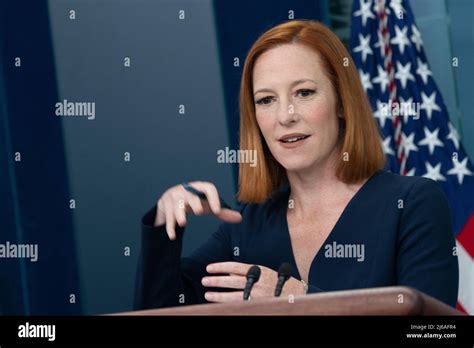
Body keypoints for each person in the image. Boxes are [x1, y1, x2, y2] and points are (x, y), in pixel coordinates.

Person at [134, 20, 458, 310]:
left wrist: (301, 302)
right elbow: (159, 310)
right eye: (266, 100)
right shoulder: (246, 226)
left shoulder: (413, 204)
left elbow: (430, 333)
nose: (285, 115)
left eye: (304, 92)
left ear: (342, 103)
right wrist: (166, 223)